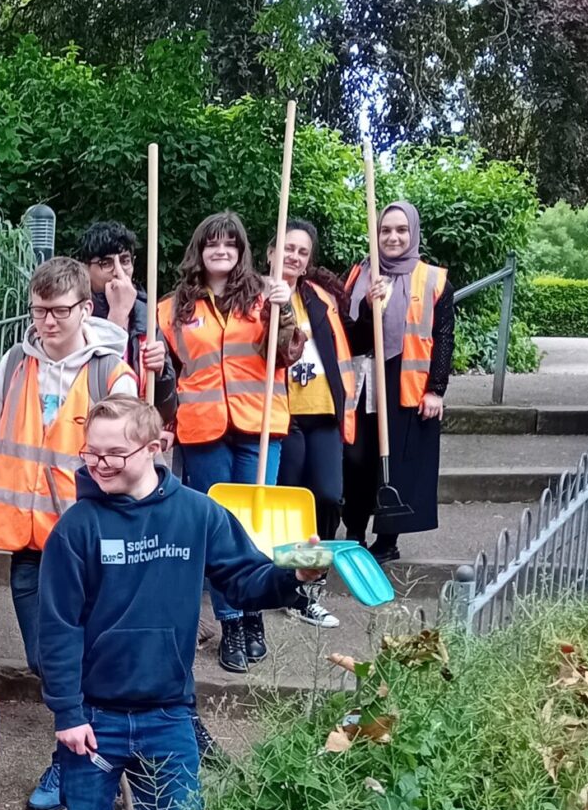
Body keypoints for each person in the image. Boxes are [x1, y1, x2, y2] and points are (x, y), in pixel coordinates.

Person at [32, 397, 317, 810]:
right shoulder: (78, 528)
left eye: (114, 452)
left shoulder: (198, 516)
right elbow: (57, 628)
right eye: (92, 452)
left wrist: (296, 577)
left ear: (155, 448)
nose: (100, 464)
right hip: (96, 718)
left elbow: (245, 578)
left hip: (168, 715)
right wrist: (68, 713)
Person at [0, 255, 138, 810]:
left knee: (79, 657)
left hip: (90, 547)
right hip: (29, 544)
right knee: (43, 658)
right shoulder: (14, 365)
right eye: (38, 311)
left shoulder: (111, 373)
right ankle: (92, 744)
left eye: (58, 311)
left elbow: (134, 463)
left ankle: (71, 758)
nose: (47, 322)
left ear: (84, 308)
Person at [157, 211, 303, 673]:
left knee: (255, 525)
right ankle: (231, 622)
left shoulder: (264, 297)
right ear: (199, 250)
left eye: (230, 244)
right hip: (202, 431)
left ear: (241, 251)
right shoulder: (171, 308)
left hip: (259, 424)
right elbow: (164, 377)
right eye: (212, 244)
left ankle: (254, 611)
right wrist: (154, 365)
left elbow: (287, 354)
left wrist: (289, 310)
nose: (221, 251)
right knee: (218, 528)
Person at [342, 200, 456, 563]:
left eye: (400, 230)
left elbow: (443, 337)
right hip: (362, 379)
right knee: (357, 457)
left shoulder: (434, 280)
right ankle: (354, 532)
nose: (392, 237)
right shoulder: (359, 274)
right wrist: (366, 309)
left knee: (396, 460)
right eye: (385, 230)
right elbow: (347, 333)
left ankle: (387, 540)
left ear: (413, 233)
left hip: (406, 381)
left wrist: (436, 389)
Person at [271, 221, 358, 628]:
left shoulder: (320, 298)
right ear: (271, 252)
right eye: (287, 248)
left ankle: (311, 586)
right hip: (281, 415)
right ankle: (287, 586)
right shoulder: (256, 295)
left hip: (322, 411)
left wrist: (372, 308)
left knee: (327, 495)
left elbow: (351, 343)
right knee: (289, 499)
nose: (293, 257)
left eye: (302, 252)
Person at [72, 219, 175, 417]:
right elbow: (82, 384)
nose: (119, 272)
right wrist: (117, 316)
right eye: (106, 263)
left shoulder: (146, 312)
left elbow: (166, 408)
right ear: (86, 268)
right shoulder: (74, 314)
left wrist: (161, 373)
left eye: (125, 260)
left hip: (135, 430)